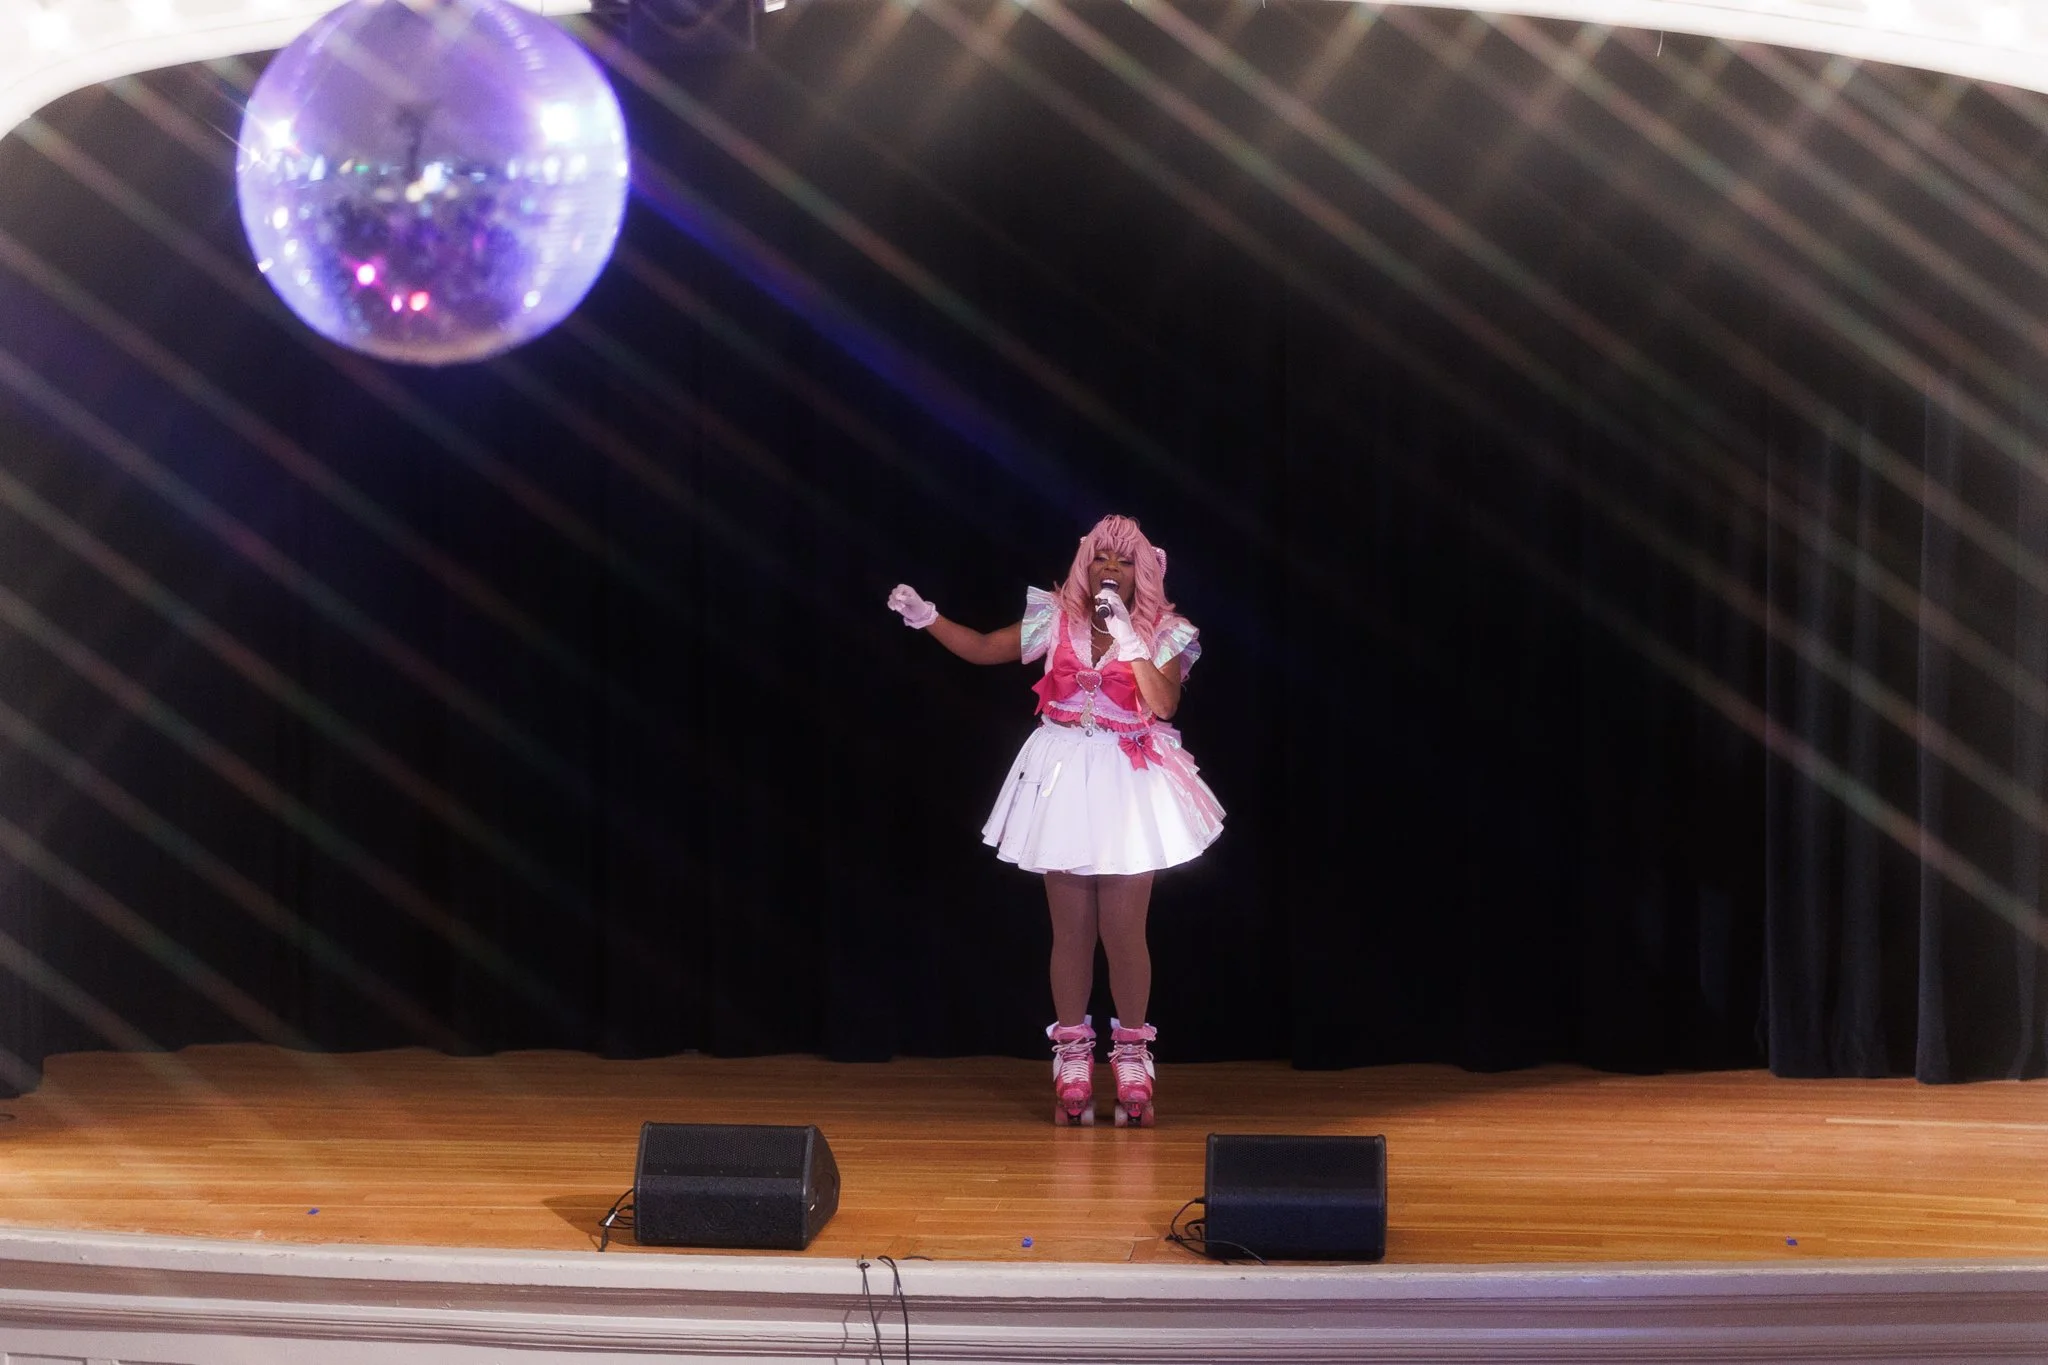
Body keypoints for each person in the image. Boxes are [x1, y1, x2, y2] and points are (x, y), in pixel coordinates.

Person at [887, 515, 1224, 1126]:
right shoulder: (1056, 618)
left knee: (1123, 930)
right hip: (1064, 771)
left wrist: (1130, 639)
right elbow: (984, 647)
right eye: (1101, 558)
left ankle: (1132, 1057)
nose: (1111, 569)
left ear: (1143, 572)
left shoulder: (1165, 632)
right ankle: (1071, 1055)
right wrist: (926, 617)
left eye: (1124, 561)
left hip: (1128, 777)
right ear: (1084, 564)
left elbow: (1163, 703)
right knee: (1070, 929)